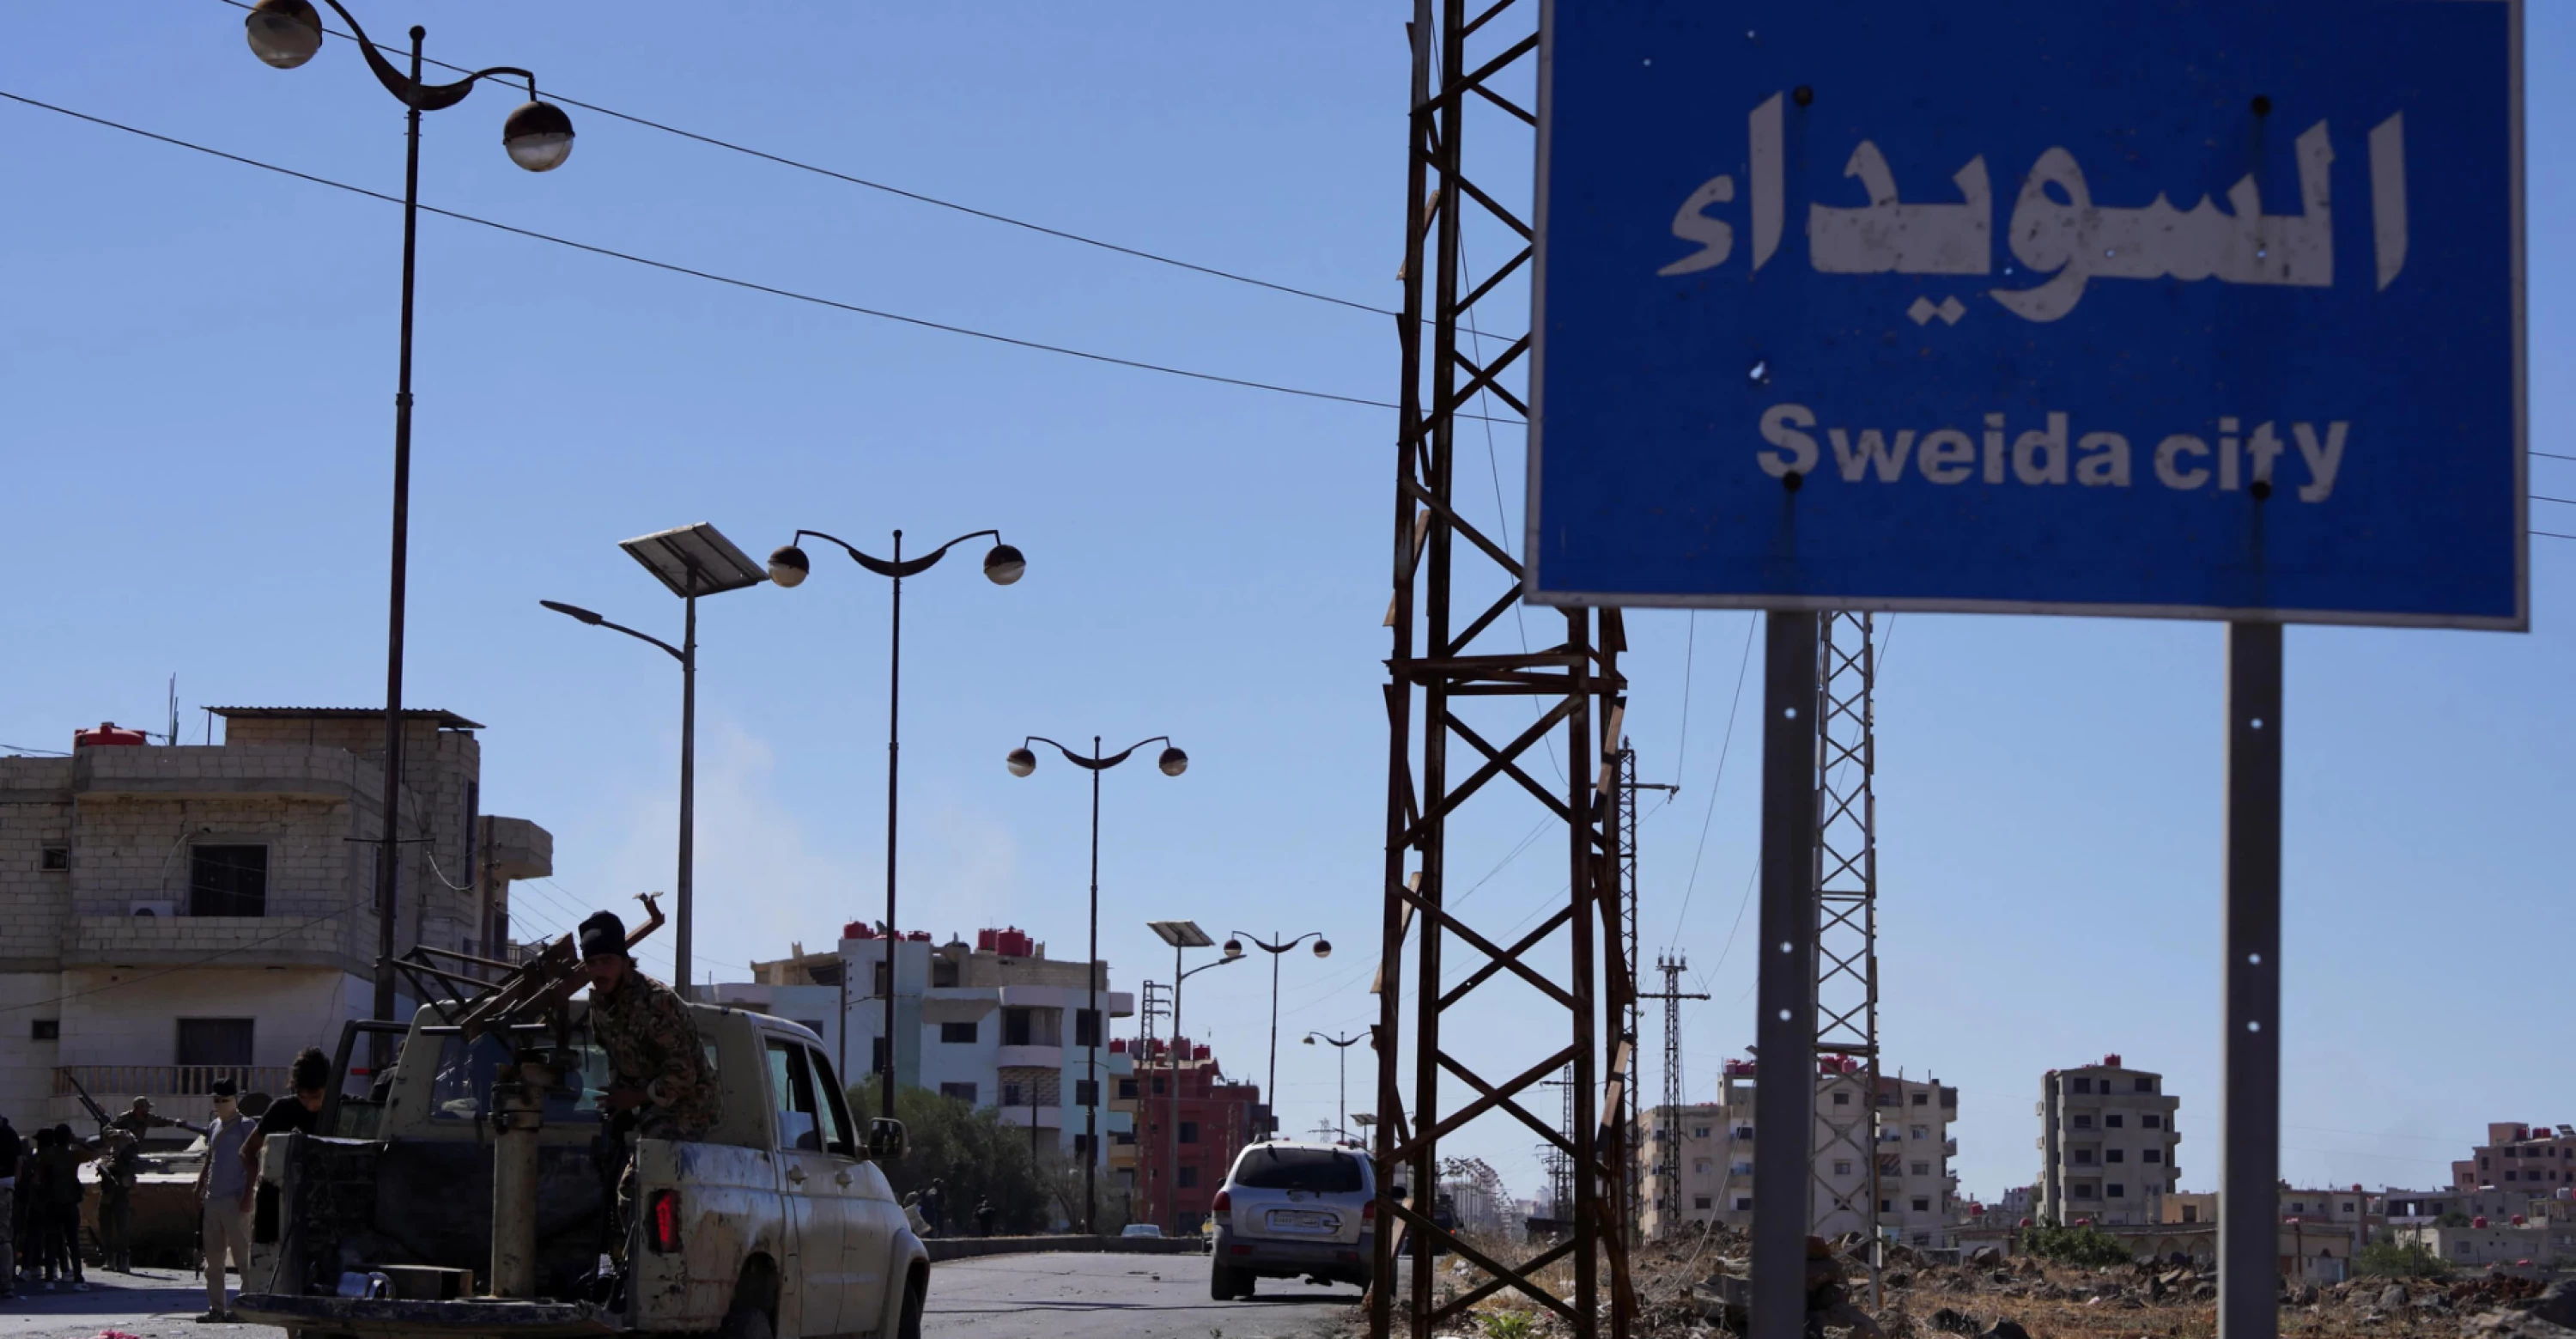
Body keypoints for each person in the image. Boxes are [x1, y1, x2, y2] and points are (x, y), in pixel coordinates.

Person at [580, 910, 717, 1248]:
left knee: (636, 1187)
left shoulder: (657, 1002)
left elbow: (684, 1074)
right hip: (643, 1106)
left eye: (607, 961)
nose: (599, 972)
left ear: (625, 961)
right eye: (592, 963)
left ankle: (639, 1273)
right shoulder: (601, 1002)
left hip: (686, 1108)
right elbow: (614, 1055)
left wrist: (636, 1098)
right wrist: (620, 1103)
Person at [193, 1079, 256, 1323]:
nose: (220, 1105)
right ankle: (216, 1309)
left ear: (235, 1100)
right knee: (214, 1261)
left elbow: (254, 1162)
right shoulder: (214, 1126)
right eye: (216, 1100)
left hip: (236, 1198)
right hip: (213, 1200)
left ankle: (246, 1307)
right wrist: (199, 1186)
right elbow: (210, 1159)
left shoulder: (246, 1125)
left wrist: (249, 1194)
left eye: (225, 1100)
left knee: (243, 1258)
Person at [241, 1048, 331, 1187]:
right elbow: (247, 1150)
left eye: (316, 1096)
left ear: (329, 1087)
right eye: (303, 1097)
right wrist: (259, 1181)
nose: (310, 1105)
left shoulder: (345, 1110)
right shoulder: (282, 1110)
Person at [36, 1123, 87, 1291]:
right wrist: (77, 1141)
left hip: (52, 1203)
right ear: (68, 1137)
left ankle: (49, 1279)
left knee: (51, 1243)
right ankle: (78, 1279)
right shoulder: (74, 1156)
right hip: (70, 1203)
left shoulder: (47, 1156)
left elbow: (38, 1179)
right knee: (74, 1244)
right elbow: (95, 1153)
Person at [94, 1126, 136, 1272]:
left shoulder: (128, 1157)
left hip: (120, 1196)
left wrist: (112, 1168)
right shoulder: (108, 1157)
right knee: (105, 1228)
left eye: (117, 1141)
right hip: (107, 1195)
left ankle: (124, 1259)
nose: (113, 1144)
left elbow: (127, 1176)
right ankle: (110, 1258)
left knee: (122, 1229)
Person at [0, 1113, 19, 1299]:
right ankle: (6, 1283)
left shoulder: (9, 1134)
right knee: (4, 1237)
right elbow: (18, 1162)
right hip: (6, 1184)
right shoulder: (11, 1133)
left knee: (3, 1238)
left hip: (4, 1184)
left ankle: (6, 1283)